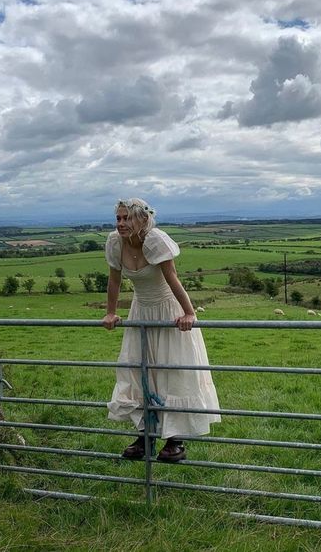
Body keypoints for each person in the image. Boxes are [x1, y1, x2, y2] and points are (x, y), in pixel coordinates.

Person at [102, 198, 220, 462]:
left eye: (127, 218)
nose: (121, 223)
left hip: (169, 311)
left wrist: (189, 313)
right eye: (118, 218)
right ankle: (145, 436)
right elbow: (114, 280)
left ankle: (174, 441)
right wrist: (111, 312)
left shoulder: (155, 240)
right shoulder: (115, 242)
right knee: (140, 369)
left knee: (171, 371)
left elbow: (172, 278)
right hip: (141, 310)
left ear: (143, 219)